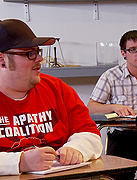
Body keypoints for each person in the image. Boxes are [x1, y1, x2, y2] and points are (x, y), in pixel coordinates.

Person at [0, 19, 103, 175]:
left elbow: (90, 133)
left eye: (38, 52)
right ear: (2, 60)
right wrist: (21, 162)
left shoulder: (56, 88)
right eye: (30, 54)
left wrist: (76, 148)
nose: (39, 59)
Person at [87, 30, 137, 179]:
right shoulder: (111, 76)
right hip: (124, 136)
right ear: (123, 53)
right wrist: (114, 107)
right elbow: (91, 107)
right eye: (133, 50)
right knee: (115, 173)